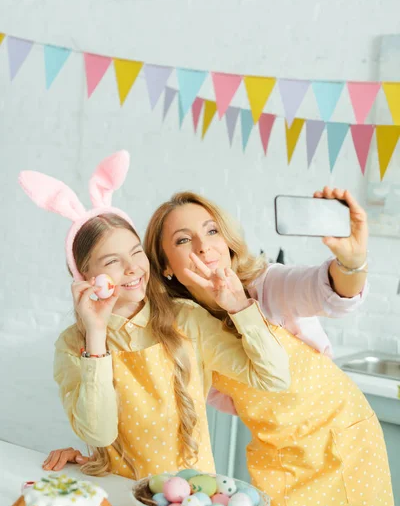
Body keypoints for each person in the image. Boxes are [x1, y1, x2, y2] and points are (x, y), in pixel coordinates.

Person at [139, 189, 398, 506]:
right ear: (165, 265)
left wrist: (352, 263)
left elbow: (326, 290)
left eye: (212, 231)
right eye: (183, 239)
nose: (203, 246)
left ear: (227, 242)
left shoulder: (265, 285)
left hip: (345, 444)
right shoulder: (184, 329)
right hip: (279, 458)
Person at [19, 151, 289, 481]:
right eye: (111, 262)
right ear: (85, 277)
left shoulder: (186, 319)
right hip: (119, 498)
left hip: (192, 502)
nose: (132, 268)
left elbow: (275, 378)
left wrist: (239, 306)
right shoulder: (73, 345)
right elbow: (100, 435)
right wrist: (95, 334)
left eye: (136, 253)